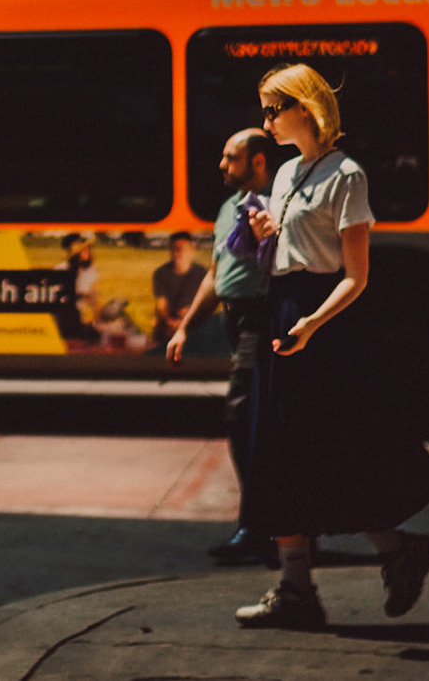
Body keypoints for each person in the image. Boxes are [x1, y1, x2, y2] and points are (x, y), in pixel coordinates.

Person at [232, 63, 429, 631]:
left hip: (323, 322)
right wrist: (267, 242)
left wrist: (312, 322)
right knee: (275, 453)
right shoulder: (285, 174)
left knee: (330, 449)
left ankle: (388, 553)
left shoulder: (347, 175)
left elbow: (355, 276)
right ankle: (301, 587)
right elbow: (284, 258)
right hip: (283, 309)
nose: (265, 121)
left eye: (273, 109)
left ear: (304, 109)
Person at [165, 130, 275, 566]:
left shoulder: (275, 204)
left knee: (243, 416)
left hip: (262, 319)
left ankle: (256, 528)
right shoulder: (230, 208)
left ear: (258, 162)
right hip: (236, 319)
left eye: (231, 157)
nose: (222, 165)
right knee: (256, 425)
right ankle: (277, 525)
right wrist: (185, 328)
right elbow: (215, 274)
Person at [150, 231, 206, 346]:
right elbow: (161, 306)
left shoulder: (202, 274)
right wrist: (169, 321)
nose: (178, 253)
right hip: (168, 326)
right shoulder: (161, 274)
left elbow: (205, 305)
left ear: (191, 251)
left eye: (182, 249)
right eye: (174, 249)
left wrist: (188, 315)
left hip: (194, 324)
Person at [55, 233, 101, 346]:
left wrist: (97, 317)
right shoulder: (62, 269)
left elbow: (93, 295)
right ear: (75, 253)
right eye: (83, 249)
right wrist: (82, 297)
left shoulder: (89, 270)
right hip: (66, 318)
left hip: (83, 316)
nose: (88, 252)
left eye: (88, 248)